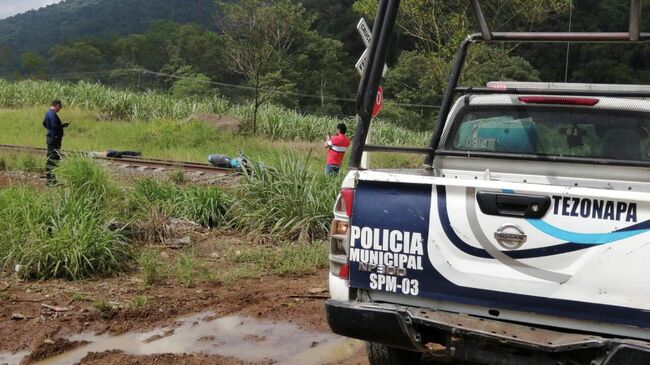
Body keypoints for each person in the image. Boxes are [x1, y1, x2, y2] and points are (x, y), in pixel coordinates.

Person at [42, 99, 69, 185]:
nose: (60, 109)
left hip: (51, 138)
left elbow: (44, 123)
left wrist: (61, 126)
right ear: (56, 105)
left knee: (52, 158)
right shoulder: (53, 114)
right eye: (60, 107)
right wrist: (59, 128)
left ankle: (51, 179)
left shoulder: (47, 113)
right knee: (53, 158)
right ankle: (51, 181)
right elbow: (54, 125)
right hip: (54, 139)